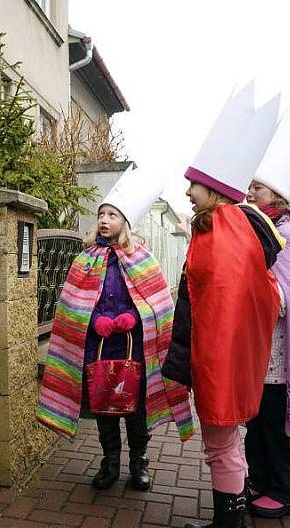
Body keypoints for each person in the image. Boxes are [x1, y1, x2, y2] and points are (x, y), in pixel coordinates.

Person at [162, 83, 284, 528]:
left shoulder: (221, 229)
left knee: (221, 443)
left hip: (220, 359)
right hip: (231, 358)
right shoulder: (237, 226)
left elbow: (218, 305)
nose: (188, 191)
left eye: (193, 183)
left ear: (211, 186)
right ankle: (231, 520)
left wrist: (207, 366)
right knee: (227, 441)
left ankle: (229, 525)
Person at [37, 166, 194, 491]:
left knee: (136, 412)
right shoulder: (85, 258)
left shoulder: (142, 257)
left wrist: (134, 319)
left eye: (112, 215)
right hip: (99, 348)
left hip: (134, 349)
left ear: (126, 222)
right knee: (105, 409)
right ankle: (109, 463)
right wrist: (93, 320)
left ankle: (139, 463)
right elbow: (73, 305)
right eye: (102, 214)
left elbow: (158, 304)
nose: (105, 220)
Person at [243, 109, 290, 518]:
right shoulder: (257, 228)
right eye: (251, 186)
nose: (251, 192)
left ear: (277, 194)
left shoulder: (288, 234)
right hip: (256, 351)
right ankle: (259, 480)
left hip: (278, 353)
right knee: (255, 424)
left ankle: (288, 491)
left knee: (275, 425)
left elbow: (287, 293)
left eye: (258, 187)